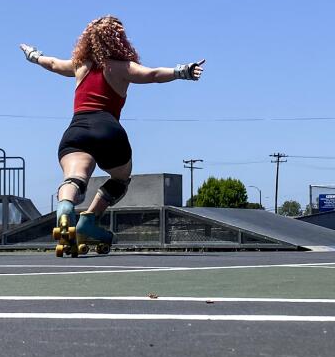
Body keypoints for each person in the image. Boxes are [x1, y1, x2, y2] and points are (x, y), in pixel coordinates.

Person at [20, 16, 203, 256]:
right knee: (120, 179)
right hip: (109, 130)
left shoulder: (80, 65)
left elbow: (52, 63)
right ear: (119, 40)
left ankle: (65, 209)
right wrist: (183, 71)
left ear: (87, 40)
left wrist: (33, 55)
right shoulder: (122, 66)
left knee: (74, 178)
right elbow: (154, 74)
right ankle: (90, 219)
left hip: (77, 131)